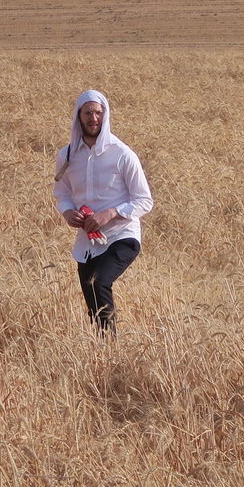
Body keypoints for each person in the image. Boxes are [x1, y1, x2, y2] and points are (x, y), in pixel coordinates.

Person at [53, 90, 154, 334]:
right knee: (92, 299)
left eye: (98, 112)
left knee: (99, 281)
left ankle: (110, 345)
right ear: (79, 116)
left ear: (105, 115)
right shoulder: (66, 156)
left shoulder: (122, 154)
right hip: (87, 242)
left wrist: (110, 213)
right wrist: (67, 212)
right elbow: (61, 192)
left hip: (122, 236)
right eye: (88, 112)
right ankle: (105, 349)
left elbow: (144, 200)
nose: (93, 118)